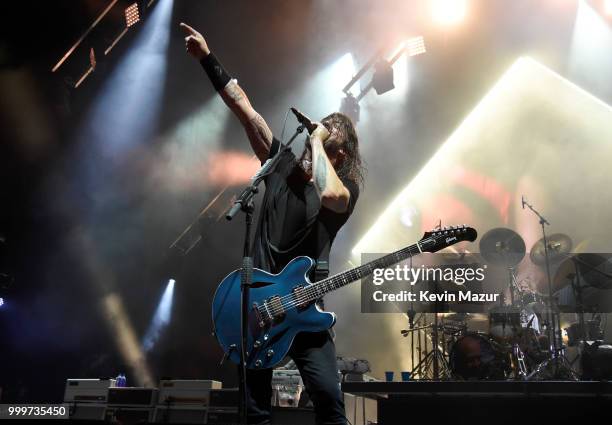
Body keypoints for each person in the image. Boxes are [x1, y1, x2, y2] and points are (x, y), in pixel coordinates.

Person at [181, 22, 364, 425]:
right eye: (312, 140)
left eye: (324, 143)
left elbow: (330, 194)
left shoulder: (343, 187)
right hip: (260, 306)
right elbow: (245, 110)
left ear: (339, 155)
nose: (306, 145)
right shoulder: (280, 167)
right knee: (255, 410)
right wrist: (208, 59)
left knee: (330, 404)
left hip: (304, 308)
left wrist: (317, 141)